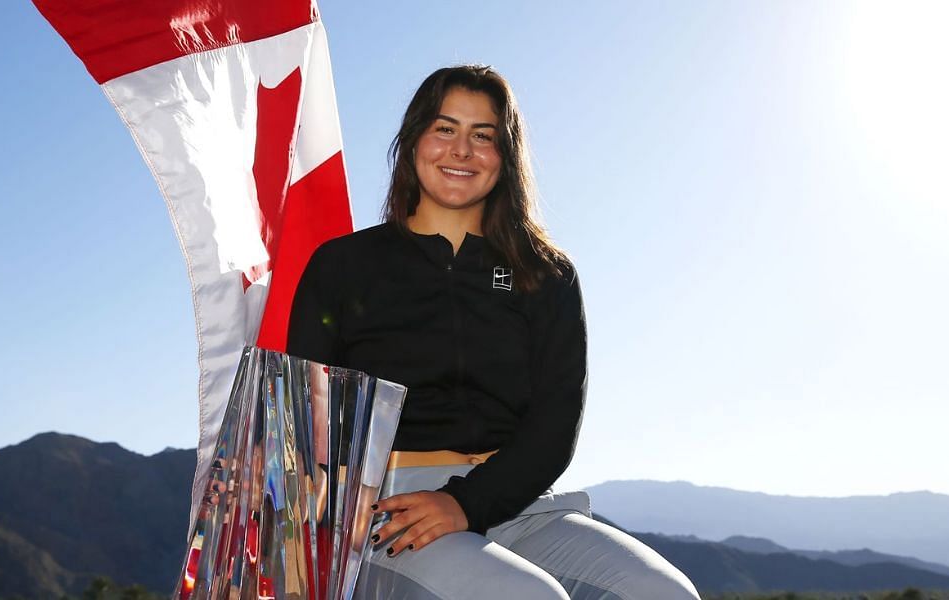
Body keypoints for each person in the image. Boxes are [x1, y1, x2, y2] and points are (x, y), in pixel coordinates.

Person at [287, 64, 700, 599]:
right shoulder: (344, 265)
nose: (462, 150)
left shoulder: (544, 273)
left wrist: (468, 502)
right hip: (388, 512)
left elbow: (555, 424)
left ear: (505, 156)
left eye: (483, 136)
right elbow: (300, 409)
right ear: (413, 141)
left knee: (666, 594)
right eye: (445, 129)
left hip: (519, 503)